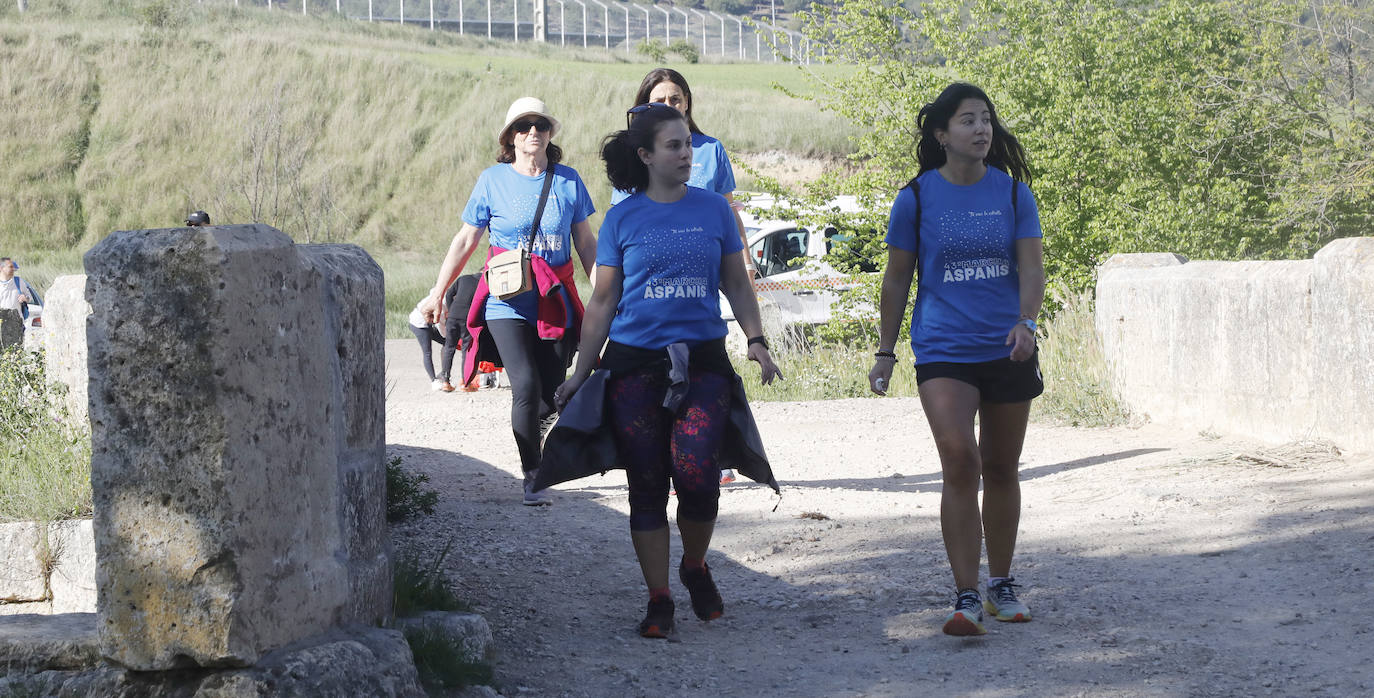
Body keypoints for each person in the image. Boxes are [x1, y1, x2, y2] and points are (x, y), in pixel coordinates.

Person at [546, 103, 782, 639]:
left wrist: (757, 341)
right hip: (633, 365)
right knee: (647, 484)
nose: (685, 154)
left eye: (688, 145)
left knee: (698, 476)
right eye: (674, 146)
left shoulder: (713, 211)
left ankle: (694, 565)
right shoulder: (623, 218)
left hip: (701, 360)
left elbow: (737, 284)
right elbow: (603, 301)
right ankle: (659, 601)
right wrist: (581, 374)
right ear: (647, 155)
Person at [866, 83, 1045, 637]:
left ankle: (1002, 584)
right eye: (968, 120)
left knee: (1001, 467)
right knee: (960, 460)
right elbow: (897, 280)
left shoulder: (1014, 195)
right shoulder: (915, 198)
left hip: (1007, 347)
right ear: (942, 135)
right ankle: (966, 594)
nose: (982, 129)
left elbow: (1033, 268)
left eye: (987, 119)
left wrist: (1027, 322)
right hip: (942, 347)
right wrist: (885, 351)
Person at [419, 97, 596, 506]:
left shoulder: (568, 181)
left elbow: (585, 242)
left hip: (554, 299)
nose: (532, 131)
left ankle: (534, 436)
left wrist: (606, 290)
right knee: (526, 385)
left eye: (540, 125)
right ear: (510, 137)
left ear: (550, 134)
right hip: (506, 302)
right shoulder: (491, 181)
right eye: (523, 126)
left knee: (554, 392)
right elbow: (466, 239)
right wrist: (438, 291)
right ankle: (533, 474)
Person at [616, 67, 754, 485]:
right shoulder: (633, 155)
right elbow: (624, 222)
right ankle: (670, 455)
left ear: (688, 102)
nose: (668, 105)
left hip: (705, 262)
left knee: (704, 355)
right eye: (659, 99)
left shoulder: (711, 150)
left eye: (675, 98)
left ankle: (708, 451)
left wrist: (744, 261)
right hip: (653, 276)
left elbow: (728, 208)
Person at [408, 273, 478, 392]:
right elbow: (440, 323)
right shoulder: (443, 301)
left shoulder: (448, 294)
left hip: (433, 321)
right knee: (427, 352)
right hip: (419, 323)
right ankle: (434, 381)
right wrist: (450, 337)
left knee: (448, 345)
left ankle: (444, 376)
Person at [0, 257, 34, 351]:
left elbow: (29, 297)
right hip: (1, 325)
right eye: (10, 267)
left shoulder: (19, 282)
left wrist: (25, 298)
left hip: (16, 324)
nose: (13, 269)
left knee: (15, 353)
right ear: (1, 268)